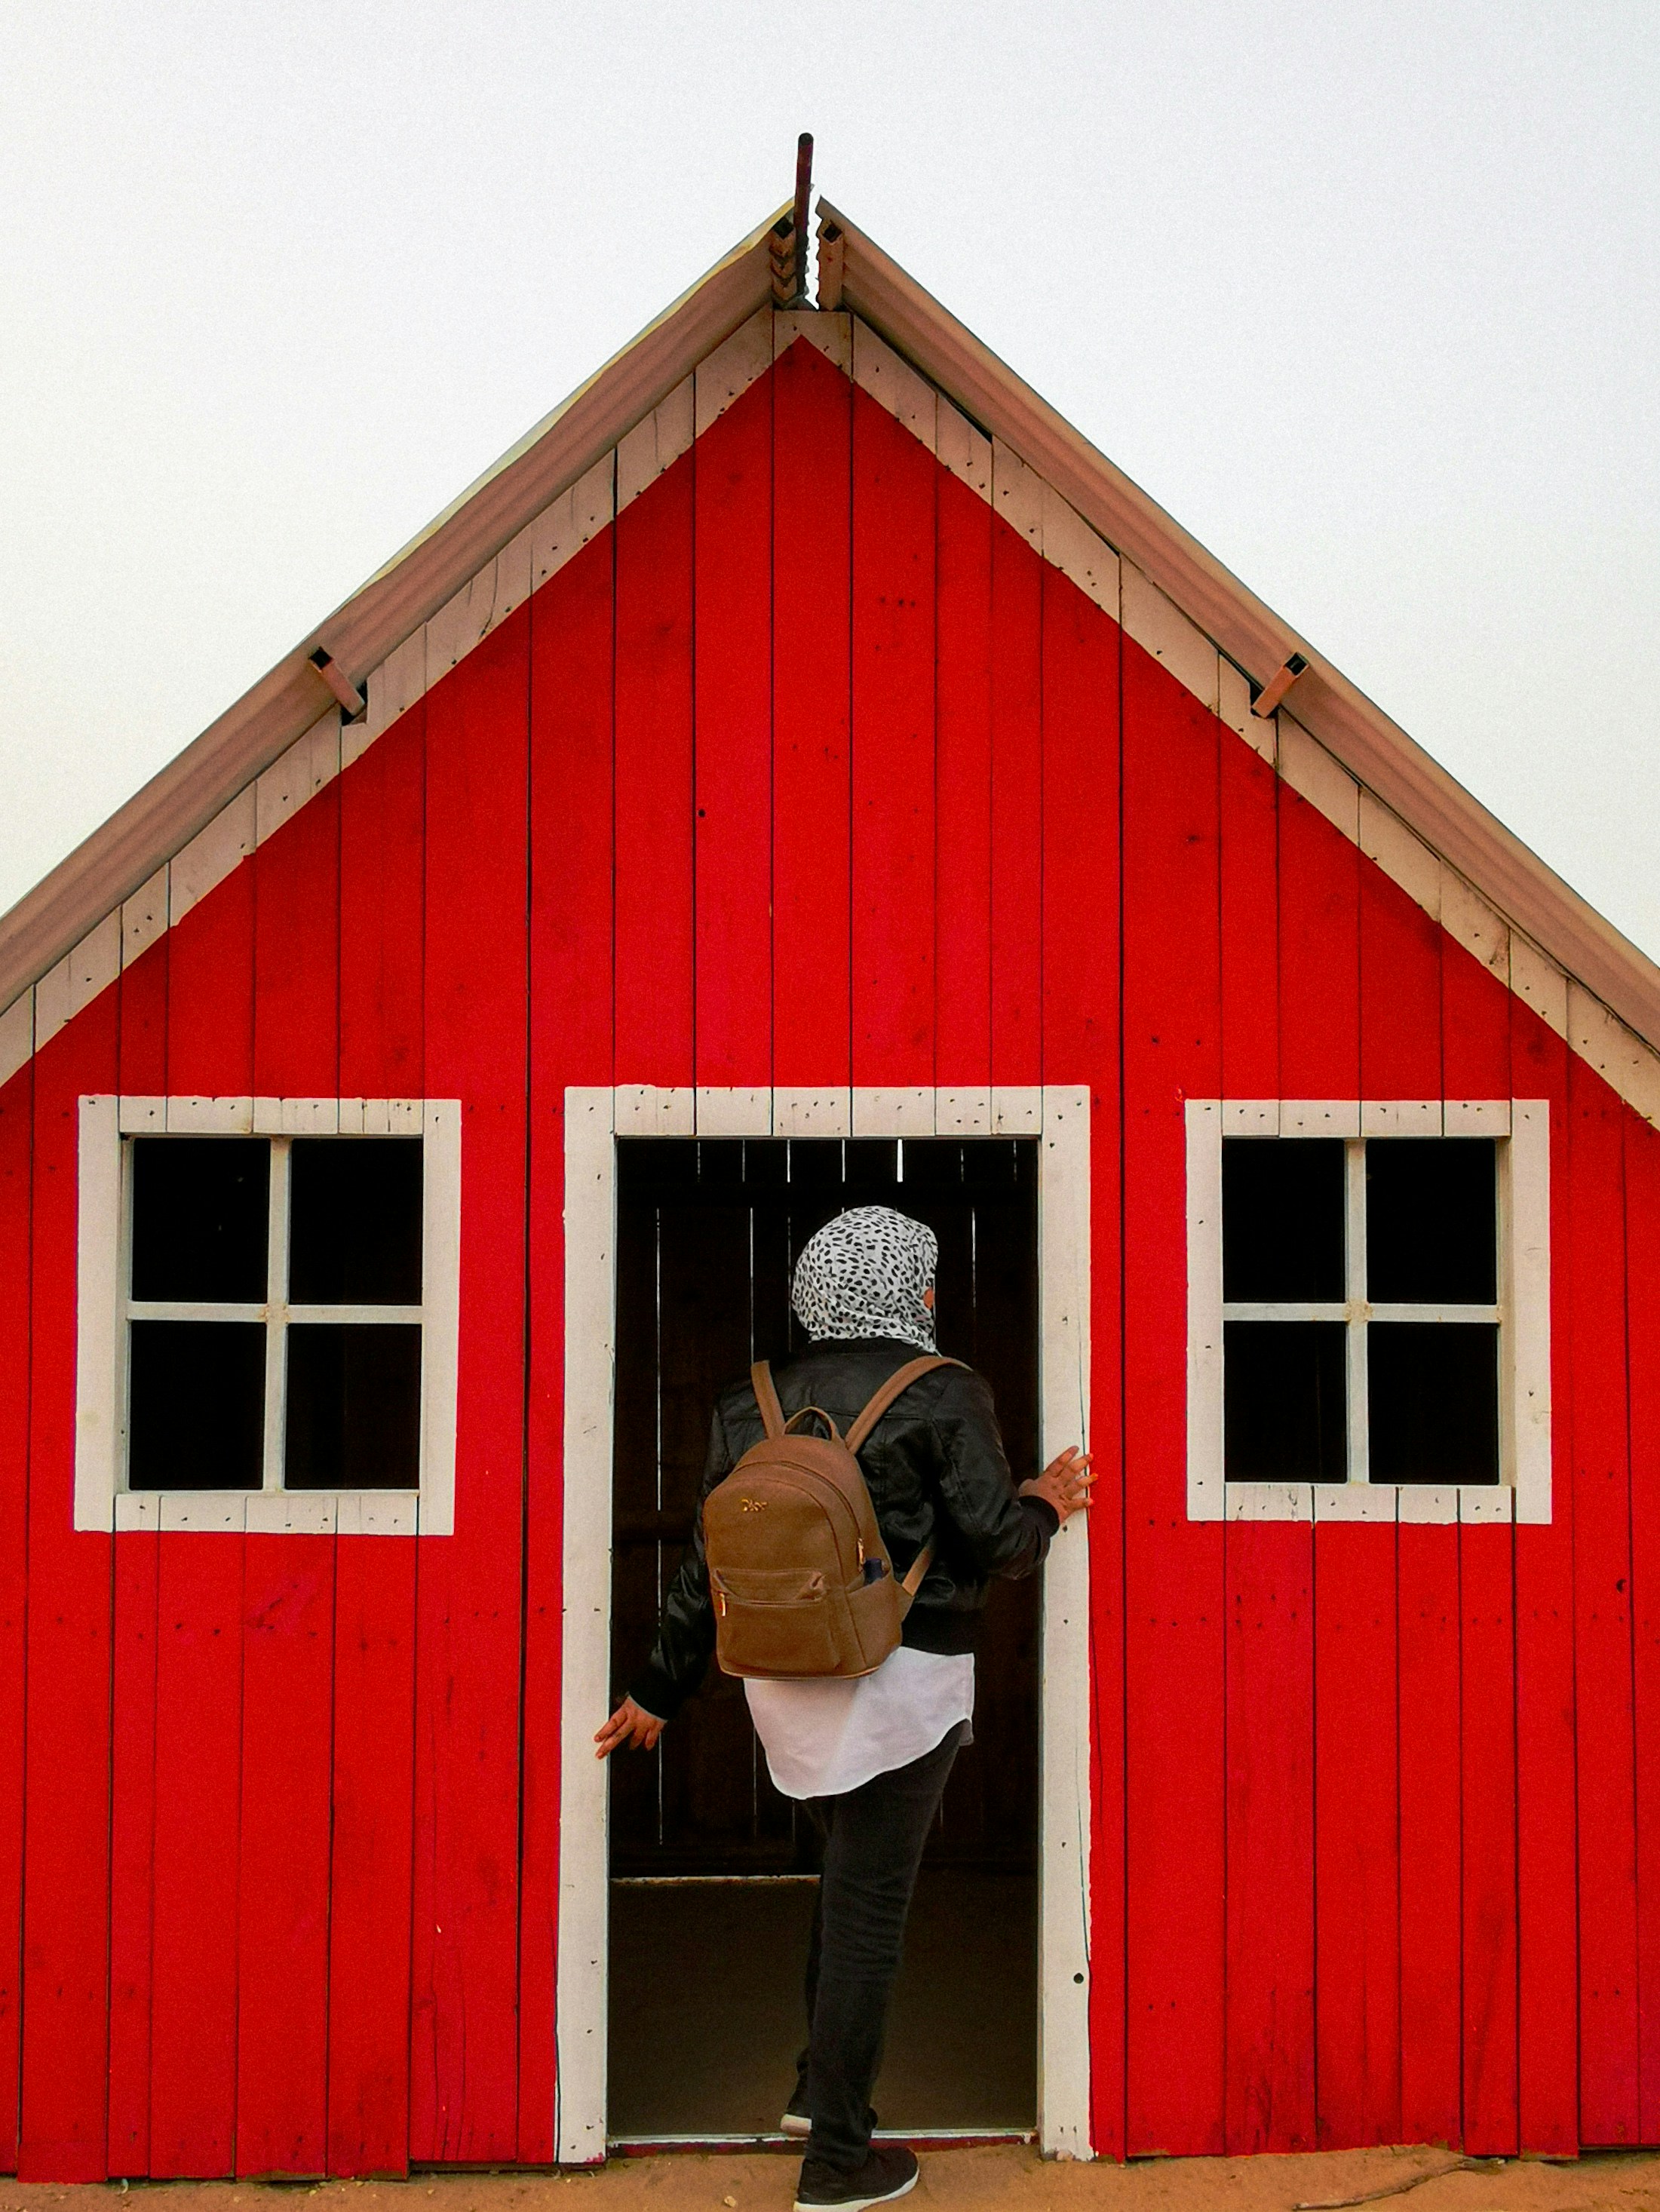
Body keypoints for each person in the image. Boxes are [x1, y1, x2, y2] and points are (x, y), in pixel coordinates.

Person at [596, 1204, 1092, 2212]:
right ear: (904, 1288)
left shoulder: (751, 1398)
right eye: (923, 1282)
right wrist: (1045, 1497)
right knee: (869, 1910)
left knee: (844, 1877)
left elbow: (706, 1559)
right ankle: (835, 2160)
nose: (928, 1298)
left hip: (781, 1679)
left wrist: (658, 1687)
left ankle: (809, 2090)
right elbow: (1003, 1545)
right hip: (899, 1686)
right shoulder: (945, 1389)